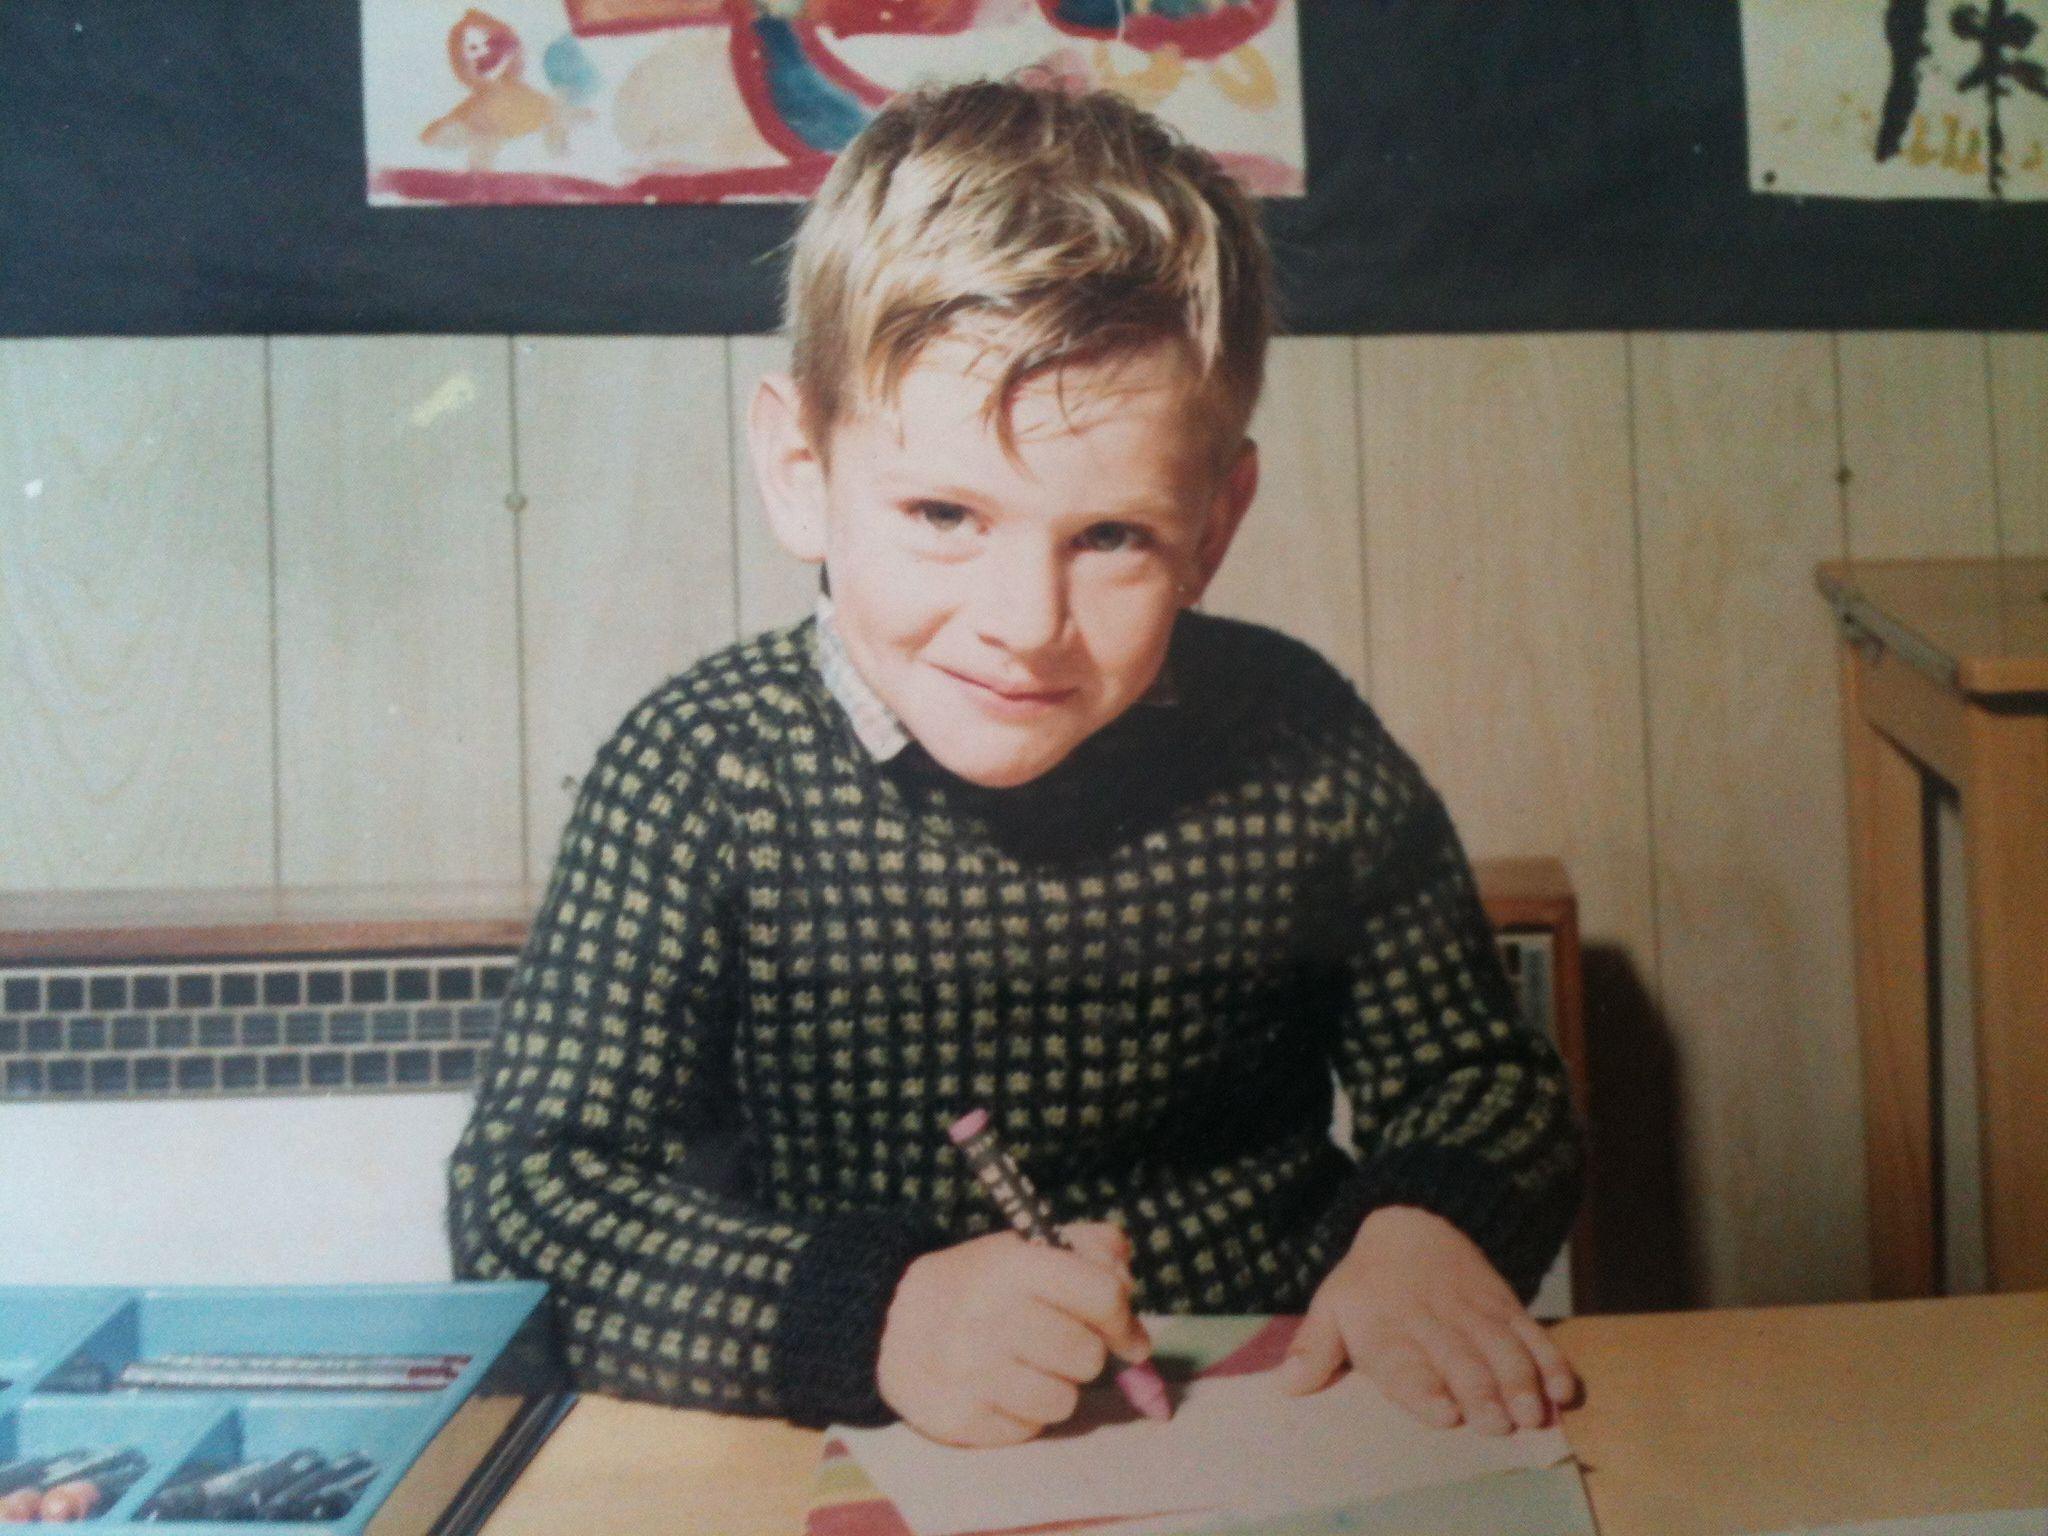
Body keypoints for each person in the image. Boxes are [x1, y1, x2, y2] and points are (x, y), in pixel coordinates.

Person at [447, 76, 1585, 1450]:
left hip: (1275, 1415)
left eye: (1111, 537)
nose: (1025, 623)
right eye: (944, 513)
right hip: (827, 1437)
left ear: (1217, 521)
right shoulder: (700, 771)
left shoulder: (1295, 729)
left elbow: (1481, 1077)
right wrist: (875, 1320)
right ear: (800, 466)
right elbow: (527, 1205)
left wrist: (1426, 1227)